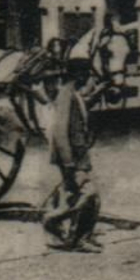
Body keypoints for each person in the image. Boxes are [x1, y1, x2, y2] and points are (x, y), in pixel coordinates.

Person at [41, 51, 102, 251]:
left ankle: (80, 237)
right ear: (77, 74)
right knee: (89, 195)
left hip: (80, 157)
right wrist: (68, 162)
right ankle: (55, 222)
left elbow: (82, 108)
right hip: (72, 158)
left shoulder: (73, 92)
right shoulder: (66, 94)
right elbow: (59, 130)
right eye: (85, 74)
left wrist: (100, 91)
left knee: (83, 197)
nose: (88, 78)